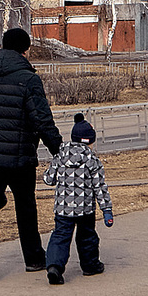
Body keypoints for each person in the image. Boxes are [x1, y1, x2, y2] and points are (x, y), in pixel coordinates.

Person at [0, 27, 60, 285]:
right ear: (25, 50)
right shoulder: (28, 80)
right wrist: (59, 150)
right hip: (20, 157)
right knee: (26, 207)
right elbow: (42, 120)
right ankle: (33, 258)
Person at [41, 114, 113, 285]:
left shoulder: (60, 155)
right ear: (90, 141)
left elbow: (48, 179)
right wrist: (106, 210)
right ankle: (90, 265)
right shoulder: (92, 160)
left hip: (63, 208)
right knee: (87, 236)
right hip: (85, 208)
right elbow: (99, 187)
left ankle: (54, 266)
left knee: (60, 236)